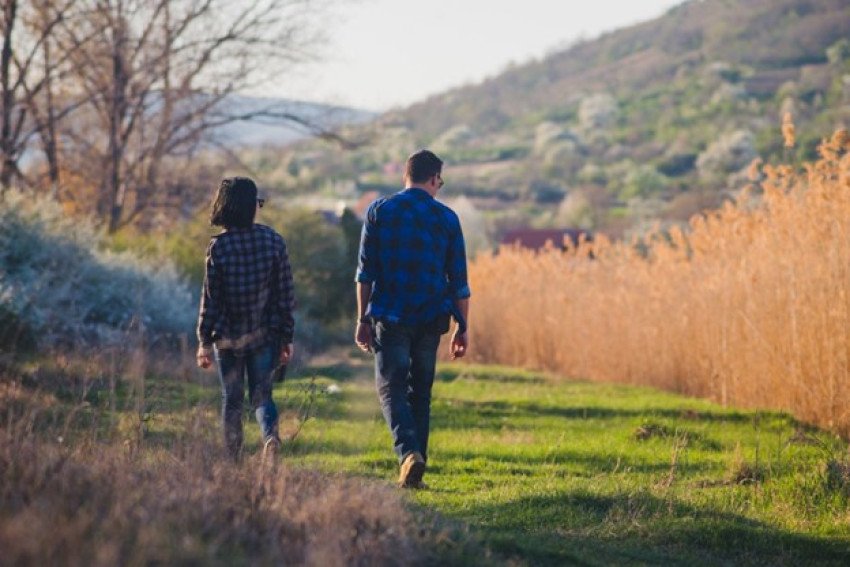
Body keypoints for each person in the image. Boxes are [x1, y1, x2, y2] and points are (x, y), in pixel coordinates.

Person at [354, 149, 470, 489]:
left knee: (391, 388)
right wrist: (463, 328)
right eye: (440, 181)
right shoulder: (447, 218)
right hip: (432, 316)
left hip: (390, 315)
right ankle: (416, 466)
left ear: (406, 176)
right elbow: (459, 282)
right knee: (420, 392)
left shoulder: (380, 211)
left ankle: (408, 455)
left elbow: (365, 273)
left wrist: (362, 318)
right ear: (433, 178)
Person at [196, 177, 295, 462]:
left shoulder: (219, 248)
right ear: (252, 207)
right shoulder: (274, 241)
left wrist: (203, 341)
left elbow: (211, 299)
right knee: (263, 395)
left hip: (228, 338)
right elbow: (286, 294)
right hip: (266, 335)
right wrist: (287, 336)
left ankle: (233, 462)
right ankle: (270, 439)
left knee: (232, 401)